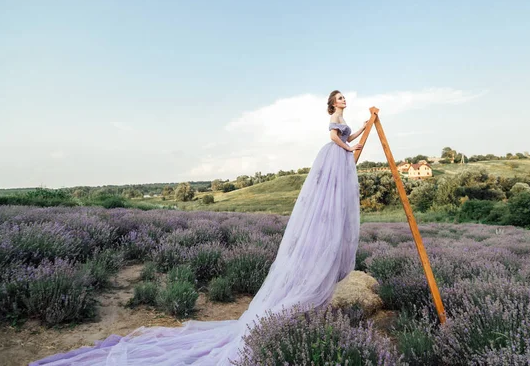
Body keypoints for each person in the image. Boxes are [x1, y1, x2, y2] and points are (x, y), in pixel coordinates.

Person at [30, 90, 367, 366]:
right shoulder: (334, 121)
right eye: (339, 98)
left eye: (343, 99)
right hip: (334, 156)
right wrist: (348, 145)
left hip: (340, 159)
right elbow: (335, 136)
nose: (342, 101)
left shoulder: (346, 122)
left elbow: (350, 135)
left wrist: (366, 126)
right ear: (332, 103)